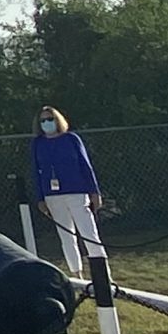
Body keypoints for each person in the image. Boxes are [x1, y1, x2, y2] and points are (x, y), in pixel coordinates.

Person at [31, 106, 103, 279]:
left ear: (57, 120)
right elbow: (35, 171)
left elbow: (86, 166)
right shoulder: (37, 144)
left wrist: (94, 191)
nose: (47, 123)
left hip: (77, 192)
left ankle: (102, 274)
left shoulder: (71, 139)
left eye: (50, 119)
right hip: (53, 196)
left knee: (89, 233)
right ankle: (77, 275)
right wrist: (41, 198)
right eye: (43, 120)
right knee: (66, 237)